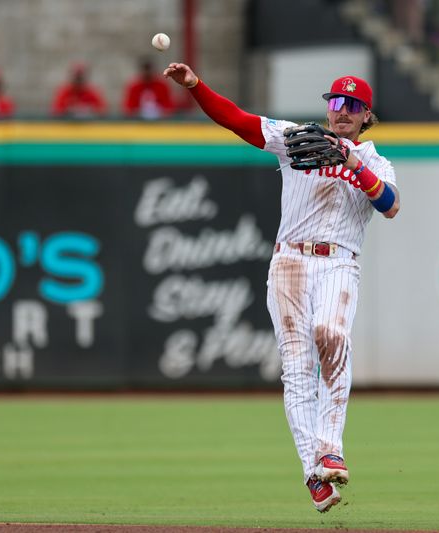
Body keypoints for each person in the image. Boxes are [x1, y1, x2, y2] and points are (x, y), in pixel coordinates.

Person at [163, 62, 400, 513]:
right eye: (336, 102)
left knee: (333, 336)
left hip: (338, 263)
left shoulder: (374, 161)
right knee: (297, 369)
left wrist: (352, 163)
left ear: (367, 115)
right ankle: (315, 471)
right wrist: (195, 86)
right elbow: (237, 120)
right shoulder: (296, 138)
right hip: (290, 259)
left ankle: (331, 447)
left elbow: (389, 205)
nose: (342, 111)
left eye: (352, 105)